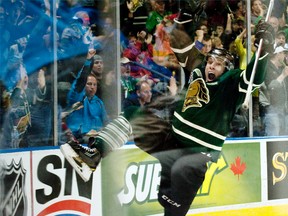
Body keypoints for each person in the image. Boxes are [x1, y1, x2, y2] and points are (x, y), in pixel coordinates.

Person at [61, 20, 274, 216]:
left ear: (226, 69)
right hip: (169, 139)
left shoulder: (231, 83)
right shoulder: (199, 70)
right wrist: (187, 20)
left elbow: (254, 77)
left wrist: (263, 50)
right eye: (211, 61)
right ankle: (92, 156)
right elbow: (180, 44)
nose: (211, 66)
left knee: (171, 207)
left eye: (218, 64)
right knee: (133, 114)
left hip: (194, 156)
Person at [64, 50, 109, 142]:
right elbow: (80, 80)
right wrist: (88, 61)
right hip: (78, 140)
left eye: (94, 84)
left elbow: (106, 122)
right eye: (89, 84)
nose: (92, 87)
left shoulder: (99, 102)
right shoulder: (76, 97)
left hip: (97, 138)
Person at [260, 46, 288, 136]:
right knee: (273, 135)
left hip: (284, 108)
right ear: (278, 54)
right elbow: (270, 87)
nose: (285, 56)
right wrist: (283, 75)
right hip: (271, 109)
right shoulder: (267, 68)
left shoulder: (281, 69)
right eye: (284, 54)